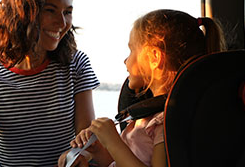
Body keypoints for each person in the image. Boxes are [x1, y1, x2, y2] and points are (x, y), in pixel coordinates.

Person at [0, 0, 100, 167]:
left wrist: (77, 154)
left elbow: (87, 140)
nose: (62, 22)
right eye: (50, 10)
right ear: (23, 12)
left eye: (67, 12)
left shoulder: (77, 64)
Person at [58, 9, 226, 167]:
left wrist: (112, 141)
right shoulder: (146, 115)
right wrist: (98, 151)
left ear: (154, 57)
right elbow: (126, 160)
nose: (126, 60)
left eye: (131, 50)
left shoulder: (165, 122)